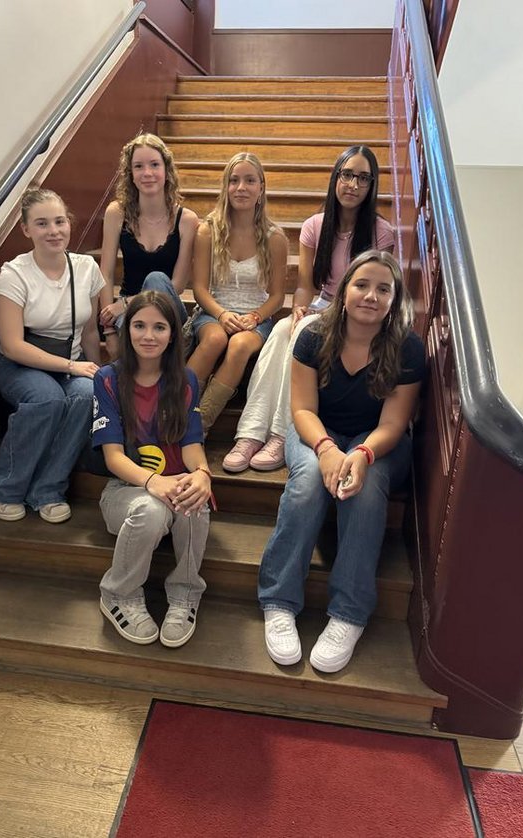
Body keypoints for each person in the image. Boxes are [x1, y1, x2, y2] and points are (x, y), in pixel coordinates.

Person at [258, 251, 425, 673]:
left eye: (383, 289)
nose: (371, 296)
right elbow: (302, 410)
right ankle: (279, 601)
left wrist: (362, 454)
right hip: (319, 431)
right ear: (344, 290)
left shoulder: (407, 347)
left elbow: (393, 423)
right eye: (362, 285)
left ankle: (349, 613)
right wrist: (327, 450)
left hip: (378, 441)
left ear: (394, 300)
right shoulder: (313, 336)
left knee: (364, 490)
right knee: (307, 483)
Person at [223, 145, 395, 473]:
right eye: (347, 175)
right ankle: (250, 433)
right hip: (321, 305)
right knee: (281, 329)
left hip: (356, 314)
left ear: (372, 185)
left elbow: (377, 289)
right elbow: (305, 285)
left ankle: (280, 434)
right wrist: (300, 308)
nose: (353, 184)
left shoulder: (381, 233)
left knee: (303, 330)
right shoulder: (315, 225)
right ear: (335, 178)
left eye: (363, 178)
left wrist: (313, 317)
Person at [93, 291, 212, 648]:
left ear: (173, 334)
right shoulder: (108, 378)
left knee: (194, 502)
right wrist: (153, 482)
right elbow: (113, 457)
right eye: (139, 325)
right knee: (151, 509)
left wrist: (202, 473)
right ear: (126, 329)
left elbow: (191, 444)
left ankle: (185, 593)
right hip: (125, 489)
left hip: (173, 483)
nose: (148, 335)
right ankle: (119, 593)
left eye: (159, 327)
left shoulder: (186, 379)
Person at [0, 186, 104, 523]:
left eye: (59, 221)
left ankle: (48, 489)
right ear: (26, 230)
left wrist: (99, 373)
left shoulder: (86, 268)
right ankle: (1, 485)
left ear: (69, 223)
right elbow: (12, 345)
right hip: (21, 366)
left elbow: (90, 332)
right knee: (48, 398)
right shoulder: (14, 273)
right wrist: (71, 366)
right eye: (42, 223)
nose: (54, 231)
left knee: (87, 394)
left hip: (71, 362)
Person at [186, 152, 287, 433]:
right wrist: (221, 314)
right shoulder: (208, 231)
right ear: (226, 187)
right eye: (234, 181)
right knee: (215, 339)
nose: (241, 188)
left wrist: (254, 317)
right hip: (214, 311)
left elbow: (277, 297)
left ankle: (198, 426)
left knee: (240, 345)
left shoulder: (275, 238)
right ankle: (174, 412)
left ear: (261, 188)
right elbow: (199, 289)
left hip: (255, 318)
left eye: (250, 181)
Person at [98, 133, 199, 359]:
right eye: (138, 166)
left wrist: (125, 304)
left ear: (167, 170)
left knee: (157, 278)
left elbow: (177, 285)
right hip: (129, 314)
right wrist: (109, 330)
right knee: (137, 329)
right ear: (130, 175)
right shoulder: (117, 213)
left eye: (154, 164)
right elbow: (105, 273)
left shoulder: (187, 220)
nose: (147, 173)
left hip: (168, 309)